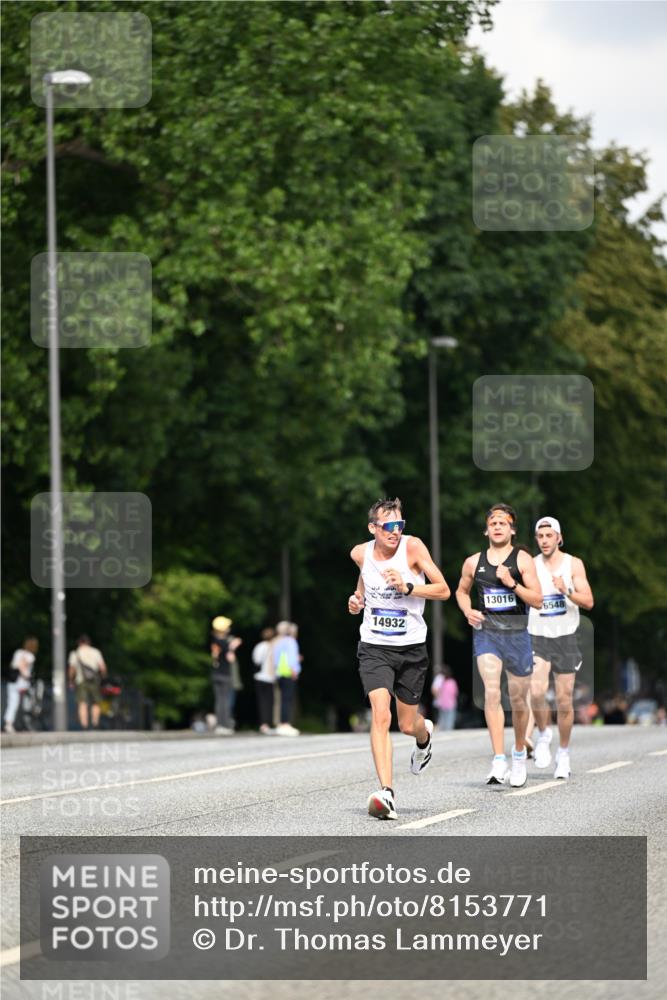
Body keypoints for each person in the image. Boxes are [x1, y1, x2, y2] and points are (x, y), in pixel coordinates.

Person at [348, 497, 450, 820]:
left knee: (408, 724)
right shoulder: (360, 553)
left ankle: (425, 737)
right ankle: (387, 793)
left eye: (399, 525)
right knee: (381, 713)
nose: (395, 532)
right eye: (388, 526)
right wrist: (357, 599)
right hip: (374, 647)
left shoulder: (413, 548)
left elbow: (444, 589)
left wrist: (409, 587)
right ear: (373, 528)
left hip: (410, 649)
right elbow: (365, 579)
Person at [455, 504, 542, 788]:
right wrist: (468, 610)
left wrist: (512, 584)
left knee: (518, 700)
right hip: (487, 633)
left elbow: (538, 600)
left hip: (518, 635)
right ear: (486, 529)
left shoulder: (523, 560)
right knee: (491, 691)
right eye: (493, 522)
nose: (497, 526)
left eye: (503, 523)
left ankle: (518, 754)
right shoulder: (473, 562)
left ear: (512, 529)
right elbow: (461, 591)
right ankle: (498, 758)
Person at [528, 516, 594, 779]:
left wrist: (565, 589)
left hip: (566, 636)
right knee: (536, 691)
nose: (544, 541)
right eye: (540, 537)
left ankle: (563, 753)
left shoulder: (573, 564)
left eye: (549, 536)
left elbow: (588, 601)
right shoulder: (530, 566)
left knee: (565, 701)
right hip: (538, 635)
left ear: (559, 537)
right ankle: (544, 733)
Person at [67, 635, 107, 731]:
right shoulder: (96, 652)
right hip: (95, 680)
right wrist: (103, 679)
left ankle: (84, 725)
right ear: (89, 642)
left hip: (81, 680)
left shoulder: (75, 653)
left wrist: (70, 680)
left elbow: (72, 669)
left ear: (79, 643)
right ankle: (95, 723)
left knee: (82, 703)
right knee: (96, 702)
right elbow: (102, 667)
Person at [4, 637, 38, 733]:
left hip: (12, 682)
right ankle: (27, 723)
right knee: (29, 703)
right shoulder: (30, 656)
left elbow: (13, 665)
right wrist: (28, 676)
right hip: (22, 683)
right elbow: (22, 666)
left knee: (12, 703)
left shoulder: (18, 652)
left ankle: (9, 724)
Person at [273, 621, 301, 736]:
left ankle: (282, 723)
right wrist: (294, 670)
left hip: (280, 673)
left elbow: (276, 659)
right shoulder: (291, 641)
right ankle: (285, 724)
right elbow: (292, 658)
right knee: (287, 700)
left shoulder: (279, 642)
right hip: (288, 673)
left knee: (283, 699)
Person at [252, 627, 276, 734]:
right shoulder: (273, 647)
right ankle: (267, 723)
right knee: (269, 701)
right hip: (270, 678)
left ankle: (263, 724)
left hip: (259, 677)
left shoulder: (259, 646)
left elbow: (256, 661)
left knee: (262, 701)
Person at [431, 665, 459, 731]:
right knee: (450, 720)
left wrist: (438, 697)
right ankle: (448, 732)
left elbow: (434, 690)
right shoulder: (452, 682)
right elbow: (455, 693)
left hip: (442, 704)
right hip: (451, 704)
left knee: (442, 720)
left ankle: (442, 731)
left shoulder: (440, 681)